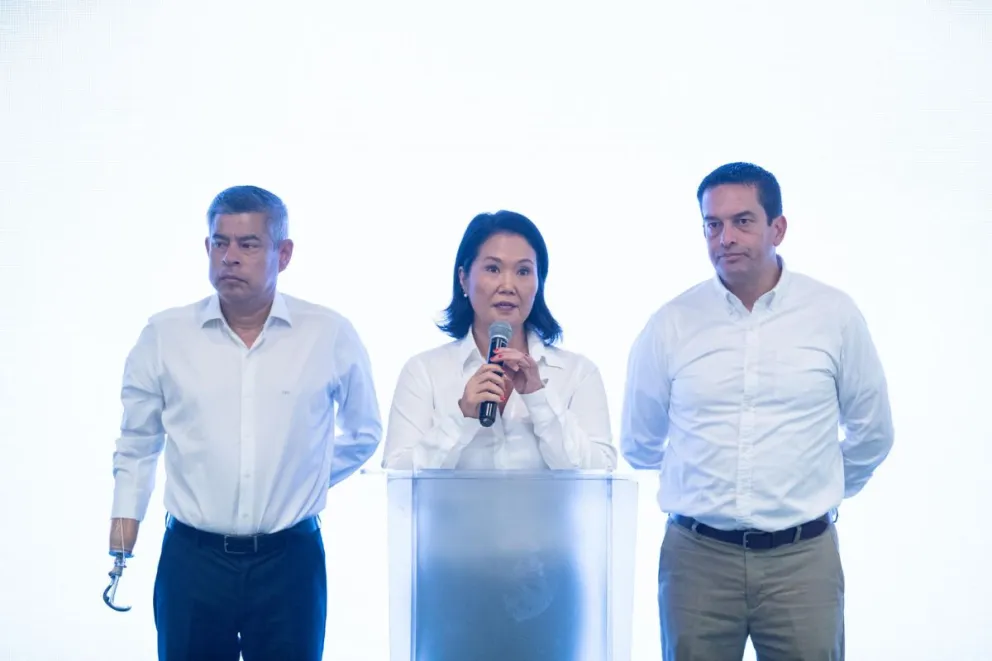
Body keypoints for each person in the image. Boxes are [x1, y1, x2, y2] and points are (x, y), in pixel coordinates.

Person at [621, 162, 894, 661]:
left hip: (802, 563)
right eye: (712, 224)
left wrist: (816, 489)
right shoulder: (670, 325)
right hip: (696, 563)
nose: (726, 237)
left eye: (743, 221)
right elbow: (639, 443)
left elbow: (873, 432)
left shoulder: (833, 316)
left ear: (778, 228)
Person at [107, 185, 382, 661]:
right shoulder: (165, 336)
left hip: (289, 560)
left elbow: (365, 432)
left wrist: (302, 476)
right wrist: (122, 527)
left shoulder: (328, 334)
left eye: (249, 244)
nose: (230, 257)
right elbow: (138, 442)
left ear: (284, 252)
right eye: (220, 243)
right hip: (193, 560)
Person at [381, 210, 617, 660]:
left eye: (523, 270)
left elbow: (600, 473)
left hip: (549, 585)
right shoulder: (426, 372)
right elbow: (398, 478)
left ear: (539, 282)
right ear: (464, 277)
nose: (508, 283)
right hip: (453, 581)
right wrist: (462, 416)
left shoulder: (576, 374)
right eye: (492, 268)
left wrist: (539, 400)